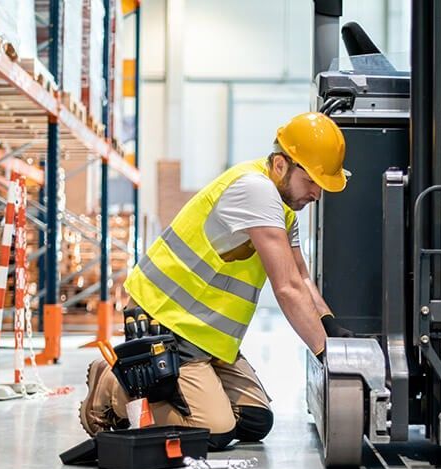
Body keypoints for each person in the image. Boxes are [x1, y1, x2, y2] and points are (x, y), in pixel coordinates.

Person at [79, 112, 353, 449]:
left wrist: (329, 326)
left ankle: (180, 388)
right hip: (169, 320)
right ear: (281, 164)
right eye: (312, 181)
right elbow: (287, 288)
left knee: (254, 420)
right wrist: (325, 353)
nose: (317, 193)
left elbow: (301, 278)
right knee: (216, 429)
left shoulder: (283, 210)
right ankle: (111, 388)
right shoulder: (257, 190)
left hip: (209, 338)